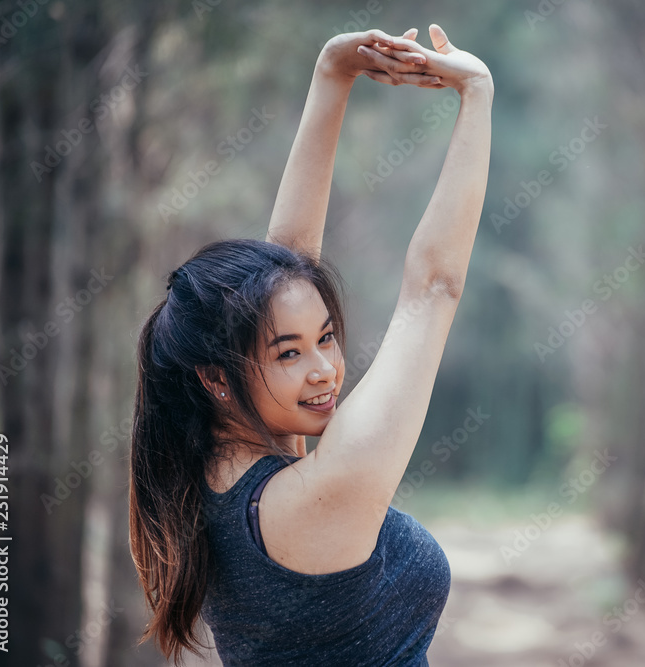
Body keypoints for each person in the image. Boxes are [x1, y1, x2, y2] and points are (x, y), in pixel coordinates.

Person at [128, 24, 493, 666]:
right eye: (289, 353)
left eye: (325, 338)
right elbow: (433, 287)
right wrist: (477, 93)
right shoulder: (317, 493)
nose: (326, 370)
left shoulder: (210, 473)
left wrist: (332, 74)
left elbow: (288, 269)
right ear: (216, 377)